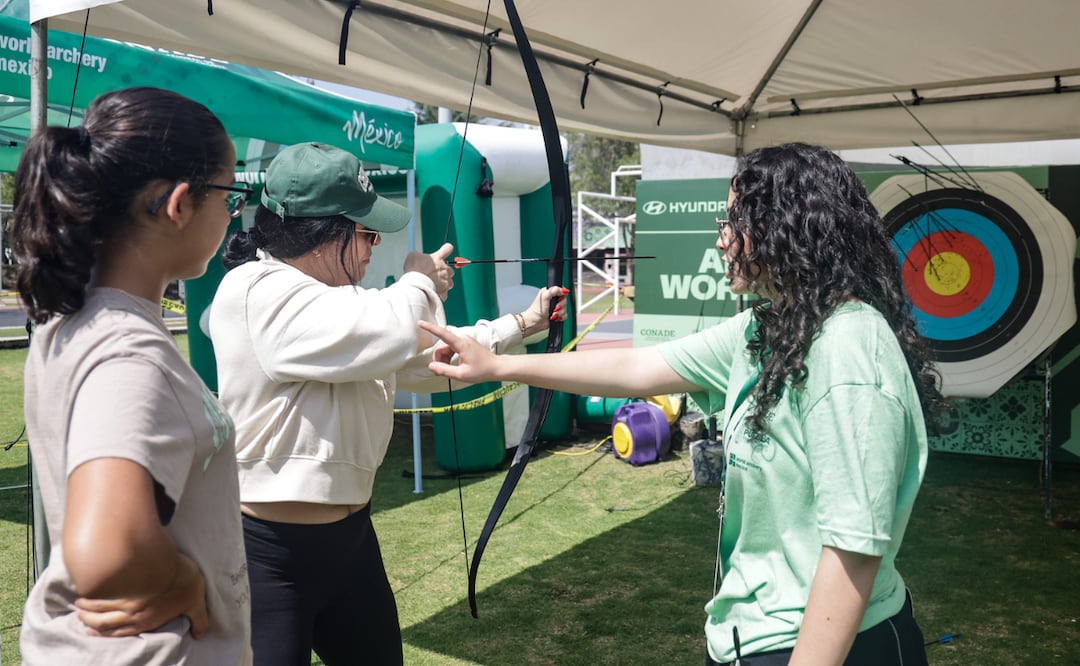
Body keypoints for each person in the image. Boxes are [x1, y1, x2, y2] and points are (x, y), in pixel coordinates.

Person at [420, 142, 944, 666]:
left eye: (735, 220)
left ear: (786, 226)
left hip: (831, 645)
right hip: (755, 637)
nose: (721, 239)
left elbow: (853, 550)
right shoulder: (768, 326)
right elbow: (636, 368)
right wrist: (498, 365)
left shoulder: (849, 345)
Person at [208, 141, 568, 666]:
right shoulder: (253, 288)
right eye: (367, 233)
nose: (375, 246)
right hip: (268, 554)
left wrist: (520, 326)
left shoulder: (342, 304)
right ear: (323, 232)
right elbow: (392, 330)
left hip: (351, 542)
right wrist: (420, 279)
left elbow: (423, 355)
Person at [12, 87, 252, 664]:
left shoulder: (74, 318)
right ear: (176, 204)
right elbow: (106, 549)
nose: (232, 212)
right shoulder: (130, 353)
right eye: (229, 194)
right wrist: (182, 584)